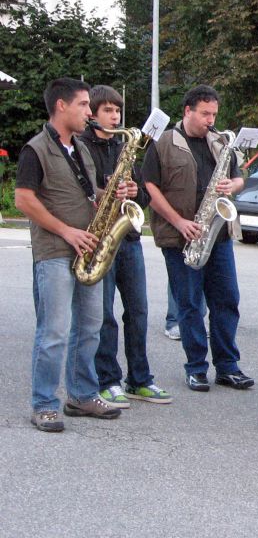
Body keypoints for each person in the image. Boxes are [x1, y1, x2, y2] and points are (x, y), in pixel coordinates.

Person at [15, 78, 122, 431]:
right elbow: (24, 200)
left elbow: (90, 192)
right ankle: (44, 403)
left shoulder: (81, 147)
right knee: (55, 331)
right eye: (83, 105)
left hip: (88, 249)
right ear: (61, 105)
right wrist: (66, 231)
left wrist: (116, 193)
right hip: (55, 251)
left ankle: (81, 394)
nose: (89, 112)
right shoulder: (36, 149)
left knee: (90, 327)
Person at [142, 85, 253, 392]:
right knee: (190, 305)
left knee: (227, 301)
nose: (210, 120)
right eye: (205, 114)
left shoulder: (220, 142)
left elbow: (240, 177)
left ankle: (228, 366)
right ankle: (196, 367)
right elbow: (149, 187)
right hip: (182, 237)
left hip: (216, 235)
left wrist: (234, 185)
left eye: (214, 114)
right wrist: (178, 222)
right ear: (187, 111)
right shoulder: (164, 142)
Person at [78, 85, 171, 408]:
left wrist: (134, 191)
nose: (115, 115)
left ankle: (140, 379)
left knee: (139, 311)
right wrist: (106, 194)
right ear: (93, 114)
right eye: (107, 110)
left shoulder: (123, 147)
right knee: (104, 316)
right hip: (99, 238)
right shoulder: (80, 147)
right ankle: (108, 380)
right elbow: (79, 194)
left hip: (127, 237)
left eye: (117, 111)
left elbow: (144, 197)